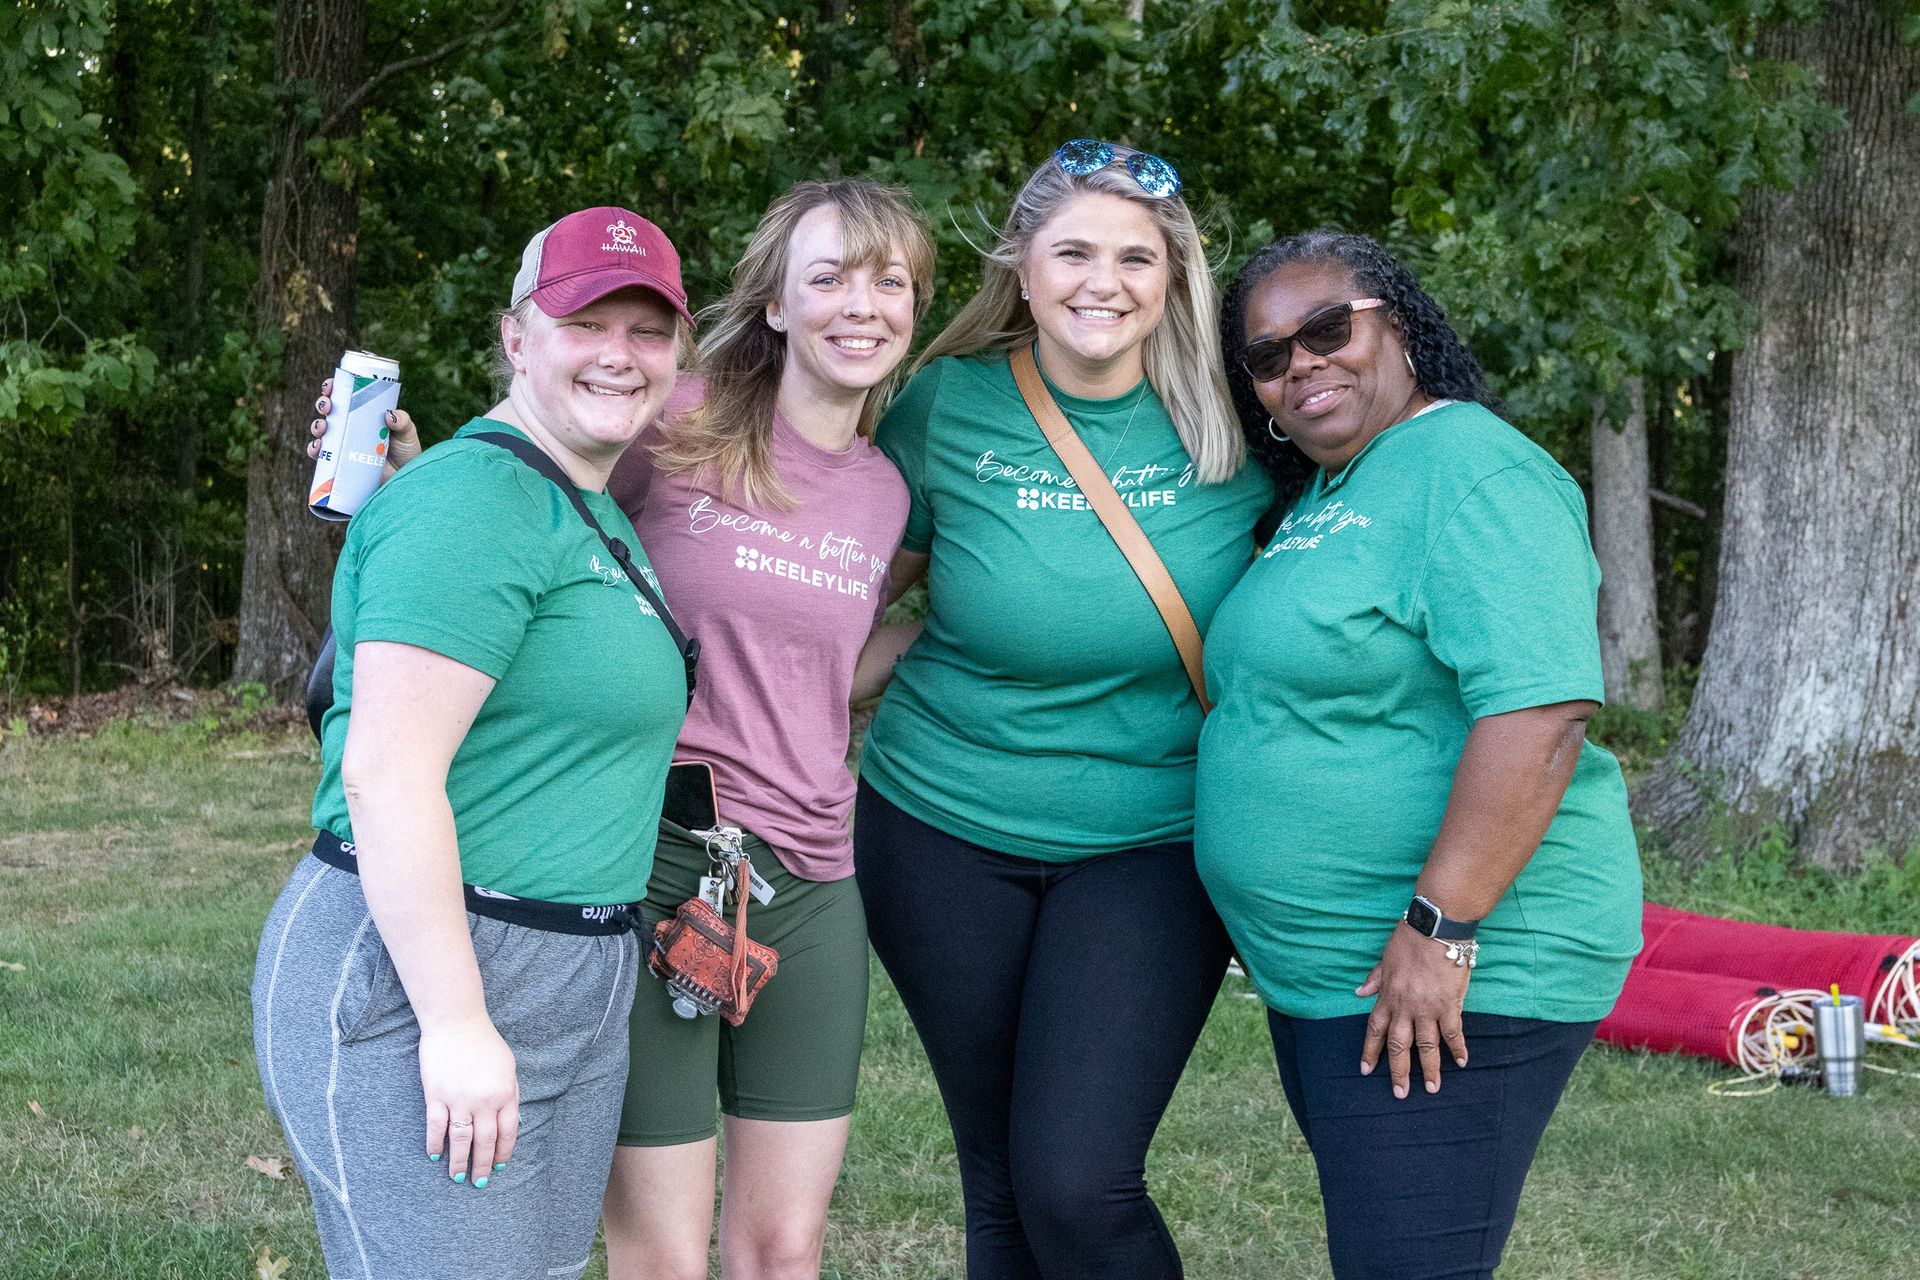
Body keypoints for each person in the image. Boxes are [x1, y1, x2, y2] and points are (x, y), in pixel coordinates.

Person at [853, 141, 1274, 1280]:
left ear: (1174, 274)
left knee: (1077, 1181)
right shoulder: (946, 404)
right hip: (938, 829)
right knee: (997, 1177)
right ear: (1022, 267)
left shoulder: (1241, 421)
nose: (1105, 280)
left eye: (1137, 255)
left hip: (1153, 841)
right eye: (1074, 250)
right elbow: (831, 603)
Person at [254, 205, 696, 1280]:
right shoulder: (473, 502)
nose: (619, 354)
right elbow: (388, 771)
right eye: (587, 320)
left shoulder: (572, 498)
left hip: (579, 972)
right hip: (427, 967)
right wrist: (455, 1020)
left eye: (649, 330)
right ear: (516, 336)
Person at [1197, 230, 1642, 1280]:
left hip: (1455, 975)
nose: (1302, 361)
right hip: (1339, 976)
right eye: (1268, 355)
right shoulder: (1336, 486)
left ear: (1398, 325)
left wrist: (1439, 929)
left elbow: (1538, 714)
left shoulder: (1473, 468)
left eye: (1326, 328)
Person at [598, 179, 932, 1280]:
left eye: (890, 280)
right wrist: (402, 472)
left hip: (815, 873)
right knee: (663, 1252)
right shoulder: (675, 423)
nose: (861, 304)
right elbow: (535, 520)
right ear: (778, 304)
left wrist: (948, 640)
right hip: (659, 858)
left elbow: (821, 665)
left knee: (784, 1247)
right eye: (828, 276)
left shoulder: (885, 492)